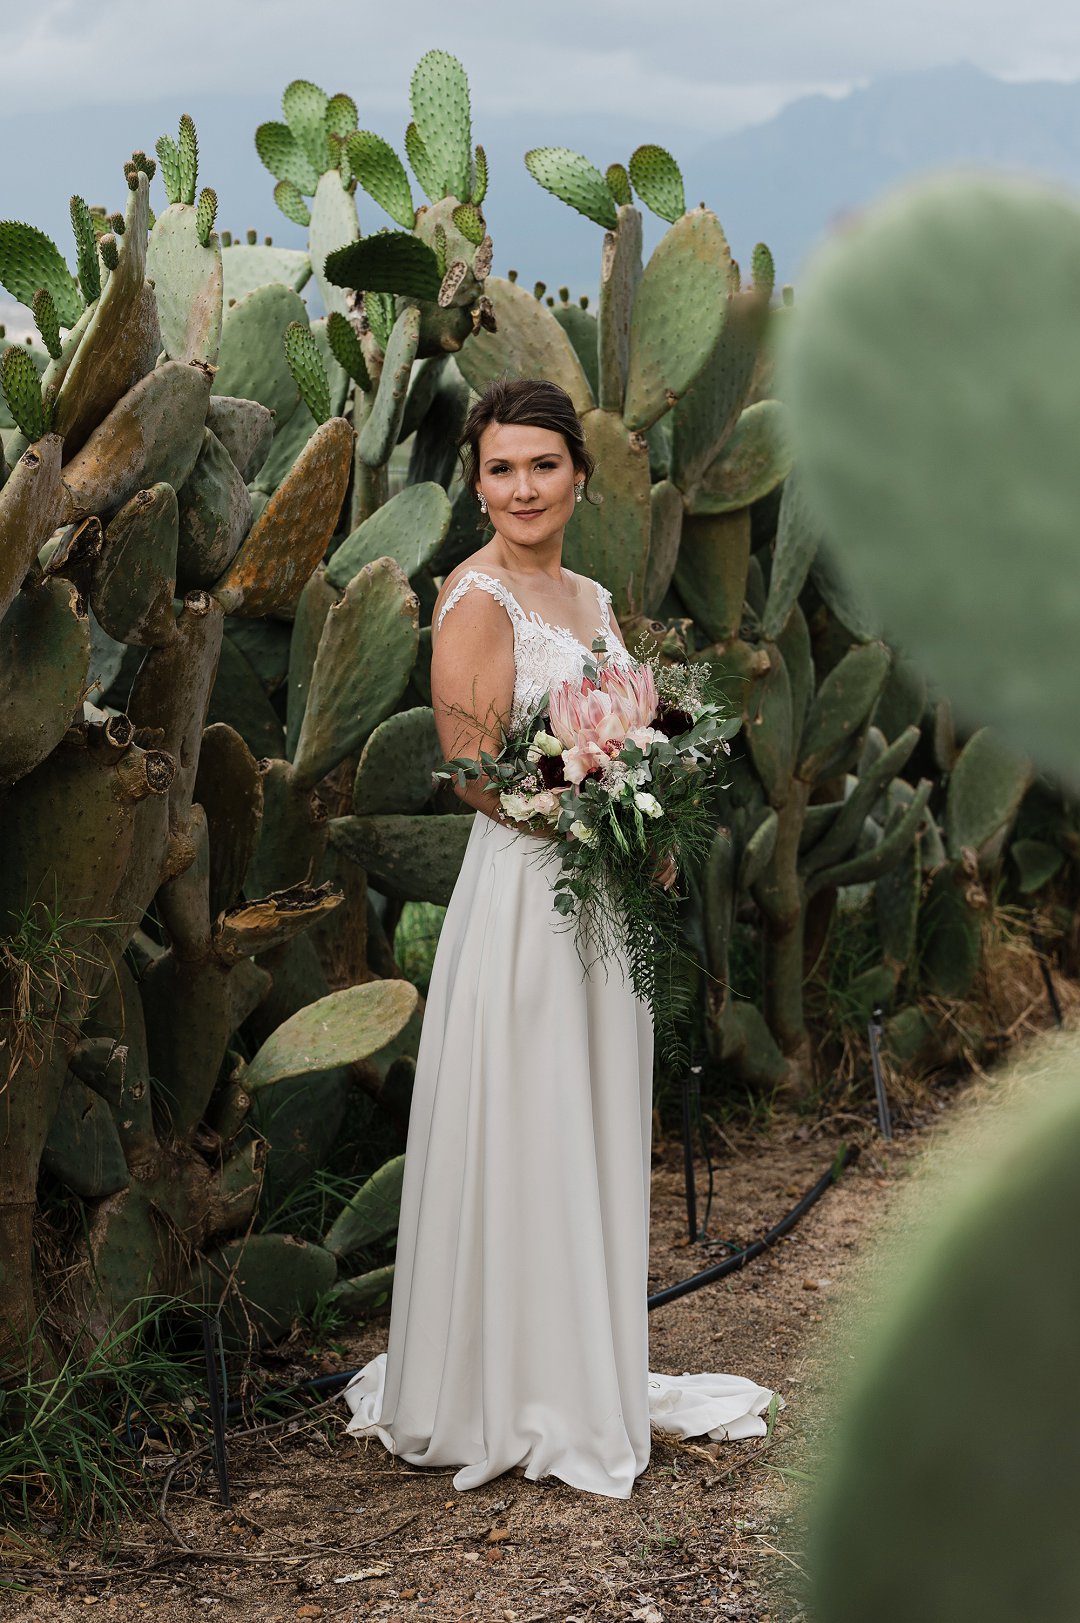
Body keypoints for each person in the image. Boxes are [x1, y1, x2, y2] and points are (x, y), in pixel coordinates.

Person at [342, 377, 777, 1498]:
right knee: (529, 1113)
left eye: (543, 464)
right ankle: (513, 1388)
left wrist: (650, 814)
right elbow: (473, 775)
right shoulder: (476, 597)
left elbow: (629, 726)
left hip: (603, 897)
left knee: (586, 1113)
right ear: (478, 483)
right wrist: (593, 808)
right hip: (531, 899)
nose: (523, 487)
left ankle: (581, 1368)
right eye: (501, 468)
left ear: (581, 476)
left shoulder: (591, 594)